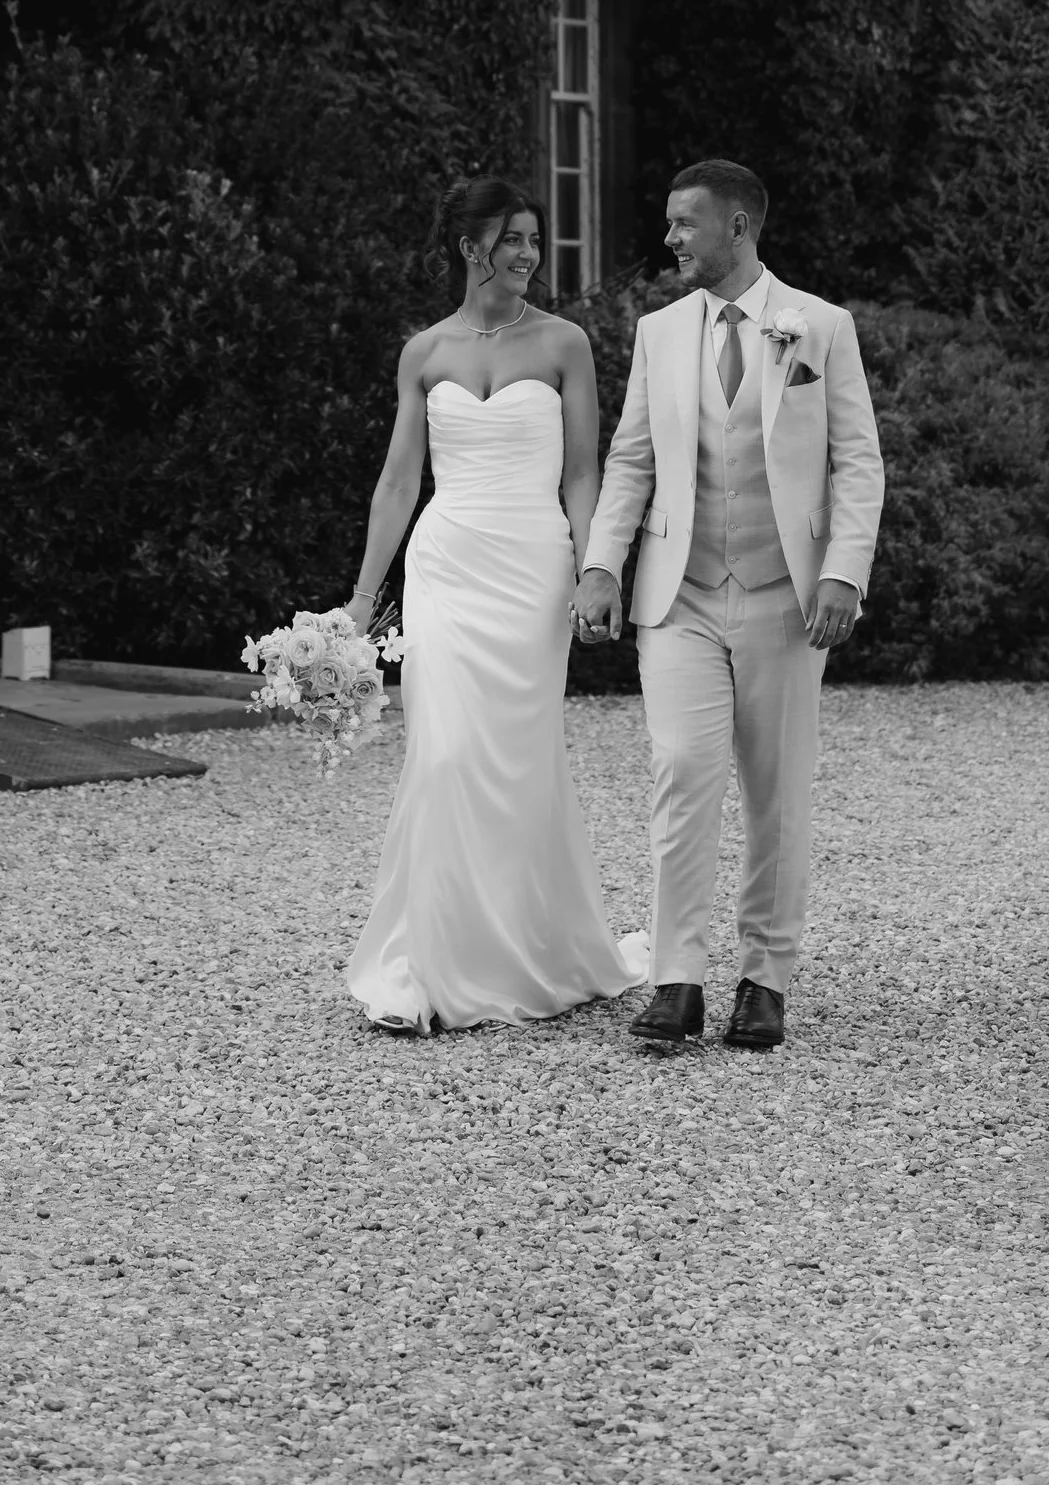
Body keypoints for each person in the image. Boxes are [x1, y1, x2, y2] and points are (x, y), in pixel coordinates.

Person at [574, 158, 884, 1055]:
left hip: (786, 596)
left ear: (739, 226)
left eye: (685, 224)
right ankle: (676, 980)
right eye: (671, 223)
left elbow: (857, 461)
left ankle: (765, 980)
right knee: (681, 774)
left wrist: (844, 573)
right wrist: (602, 565)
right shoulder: (660, 333)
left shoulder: (820, 328)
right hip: (679, 594)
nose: (671, 239)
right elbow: (633, 459)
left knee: (776, 792)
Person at [342, 175, 648, 1032]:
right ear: (470, 247)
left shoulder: (564, 345)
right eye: (511, 238)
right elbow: (401, 480)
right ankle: (426, 967)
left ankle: (521, 946)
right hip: (445, 568)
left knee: (515, 763)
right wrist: (364, 599)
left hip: (530, 571)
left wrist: (600, 569)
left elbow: (583, 470)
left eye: (533, 239)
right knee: (441, 755)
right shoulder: (424, 353)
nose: (527, 254)